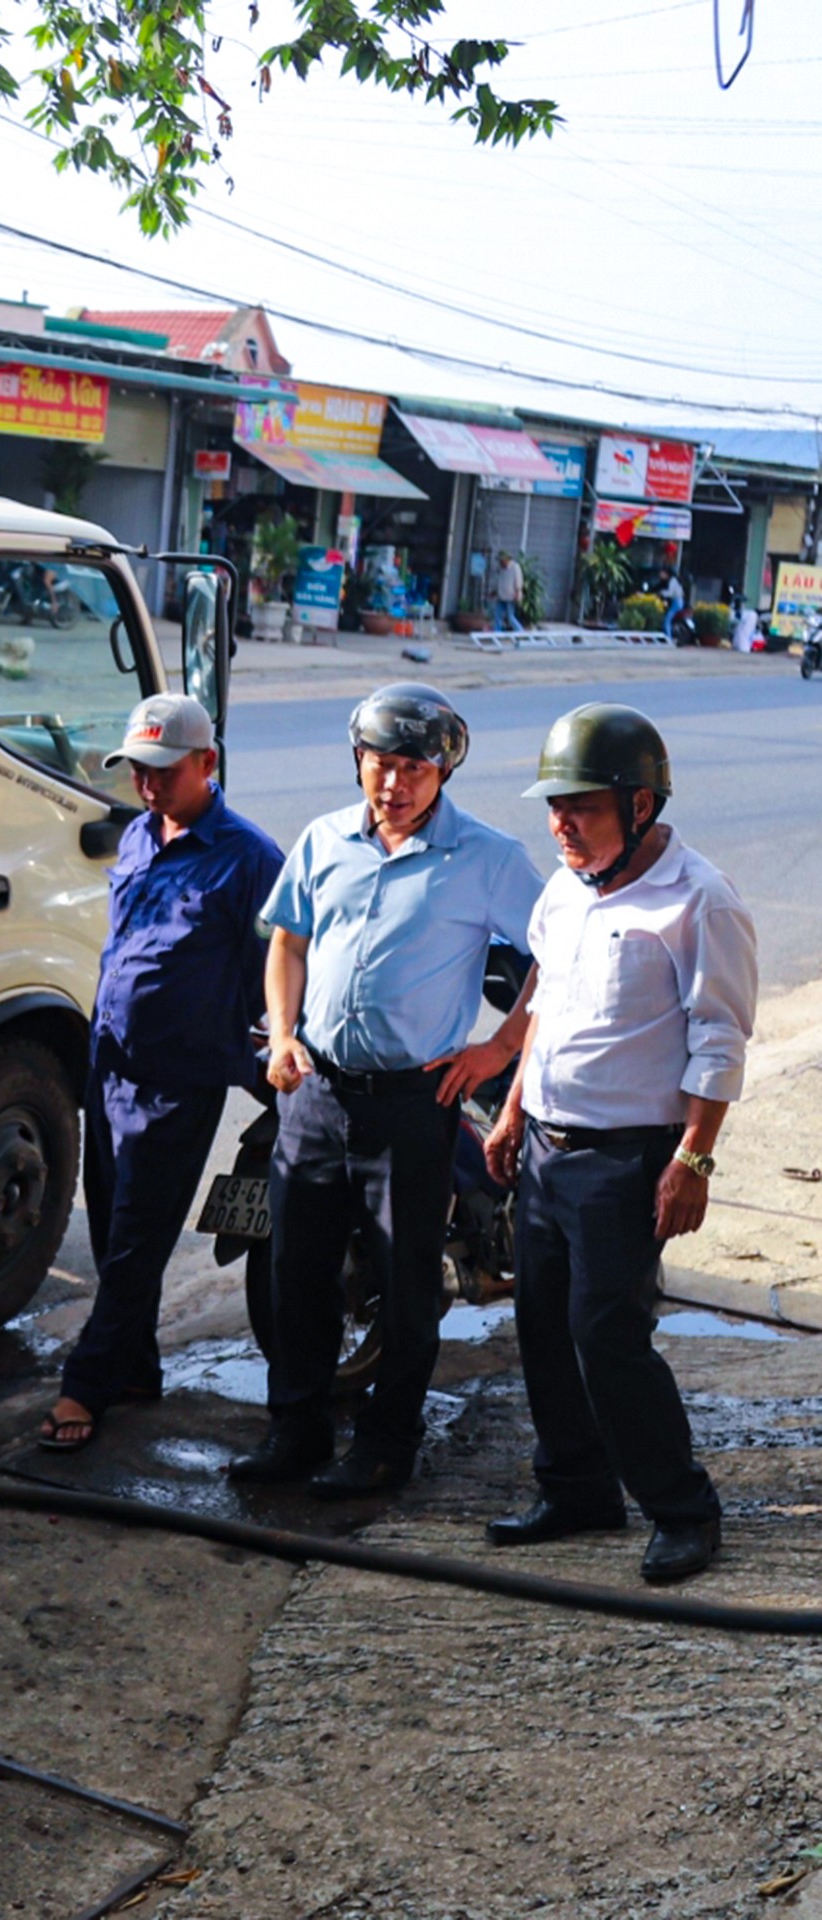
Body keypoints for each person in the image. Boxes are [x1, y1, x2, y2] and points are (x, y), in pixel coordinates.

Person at [230, 684, 547, 1494]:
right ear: (359, 761)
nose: (394, 783)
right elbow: (288, 943)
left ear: (442, 772)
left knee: (408, 1288)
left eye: (414, 767)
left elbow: (559, 951)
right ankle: (294, 1432)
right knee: (296, 1276)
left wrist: (501, 1045)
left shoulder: (486, 857)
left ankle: (385, 1447)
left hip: (415, 1104)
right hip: (313, 1095)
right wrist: (285, 1030)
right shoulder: (322, 840)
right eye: (380, 763)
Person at [480, 705, 755, 1584]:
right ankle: (576, 1489)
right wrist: (514, 1108)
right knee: (543, 1328)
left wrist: (693, 1161)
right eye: (554, 807)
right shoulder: (566, 888)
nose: (561, 823)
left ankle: (683, 1508)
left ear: (640, 806)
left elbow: (720, 1041)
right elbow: (547, 1006)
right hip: (549, 1151)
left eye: (582, 807)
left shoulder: (699, 899)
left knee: (609, 1336)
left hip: (629, 1161)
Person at [40, 694, 285, 1451]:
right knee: (113, 1219)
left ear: (207, 765)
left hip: (178, 1083)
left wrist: (253, 1043)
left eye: (163, 772)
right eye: (137, 772)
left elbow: (276, 966)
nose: (147, 787)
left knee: (135, 1242)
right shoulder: (142, 836)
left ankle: (86, 1388)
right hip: (109, 1067)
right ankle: (137, 1367)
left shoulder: (249, 858)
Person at [489, 552, 527, 635]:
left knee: (510, 617)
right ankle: (497, 633)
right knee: (497, 616)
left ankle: (521, 632)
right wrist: (494, 591)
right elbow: (499, 581)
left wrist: (518, 592)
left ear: (507, 559)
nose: (501, 562)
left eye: (502, 560)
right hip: (501, 596)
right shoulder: (501, 569)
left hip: (511, 596)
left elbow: (518, 580)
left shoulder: (515, 567)